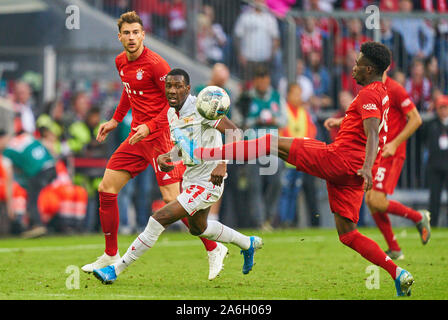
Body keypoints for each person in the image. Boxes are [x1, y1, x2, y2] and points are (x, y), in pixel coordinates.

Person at [194, 42, 415, 297]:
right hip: (351, 173)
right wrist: (344, 123)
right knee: (348, 235)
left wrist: (367, 167)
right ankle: (397, 273)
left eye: (357, 64)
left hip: (342, 161)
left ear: (368, 68)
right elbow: (371, 125)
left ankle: (211, 156)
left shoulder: (367, 95)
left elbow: (373, 132)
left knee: (270, 142)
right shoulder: (381, 91)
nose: (353, 68)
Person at [81, 11, 224, 281]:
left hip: (162, 137)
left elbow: (173, 103)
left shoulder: (158, 65)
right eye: (127, 33)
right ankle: (110, 254)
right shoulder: (120, 61)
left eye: (136, 32)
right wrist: (115, 120)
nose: (132, 37)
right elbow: (128, 90)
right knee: (106, 188)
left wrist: (150, 126)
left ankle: (214, 247)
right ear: (120, 36)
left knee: (173, 201)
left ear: (143, 35)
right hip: (137, 137)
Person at [92, 69, 263, 284]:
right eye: (169, 86)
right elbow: (185, 145)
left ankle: (115, 270)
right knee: (198, 228)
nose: (172, 91)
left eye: (178, 86)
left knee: (158, 219)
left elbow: (235, 132)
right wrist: (168, 156)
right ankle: (247, 244)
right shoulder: (171, 114)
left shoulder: (202, 106)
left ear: (188, 89)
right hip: (191, 179)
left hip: (209, 181)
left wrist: (222, 163)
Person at [328, 69, 430, 260]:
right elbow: (368, 116)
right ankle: (394, 248)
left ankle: (418, 218)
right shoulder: (372, 89)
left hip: (391, 154)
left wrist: (395, 143)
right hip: (378, 153)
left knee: (375, 200)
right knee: (371, 201)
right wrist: (340, 121)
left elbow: (416, 119)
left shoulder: (395, 89)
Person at [277, 83, 317, 228]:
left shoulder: (304, 112)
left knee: (294, 192)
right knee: (285, 191)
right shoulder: (284, 111)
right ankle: (282, 220)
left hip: (300, 159)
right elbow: (283, 131)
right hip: (286, 158)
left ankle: (289, 221)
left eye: (300, 94)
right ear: (288, 95)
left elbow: (312, 131)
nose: (298, 97)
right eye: (295, 93)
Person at [422, 95, 448, 227]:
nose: (443, 111)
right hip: (435, 165)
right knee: (434, 198)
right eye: (440, 108)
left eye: (445, 108)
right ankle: (433, 224)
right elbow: (421, 134)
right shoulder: (431, 123)